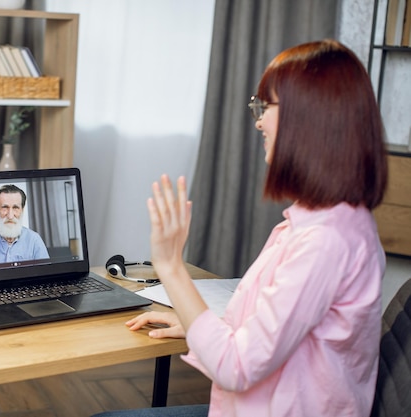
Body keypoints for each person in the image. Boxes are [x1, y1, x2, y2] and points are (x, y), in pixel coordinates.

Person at [92, 39, 388, 417]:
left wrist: (169, 265)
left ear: (310, 115)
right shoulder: (328, 220)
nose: (259, 120)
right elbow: (278, 328)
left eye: (267, 106)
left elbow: (237, 367)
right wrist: (202, 323)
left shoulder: (326, 240)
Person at [0, 184, 49, 265]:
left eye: (15, 208)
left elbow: (46, 275)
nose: (10, 216)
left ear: (22, 210)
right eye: (5, 207)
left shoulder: (34, 240)